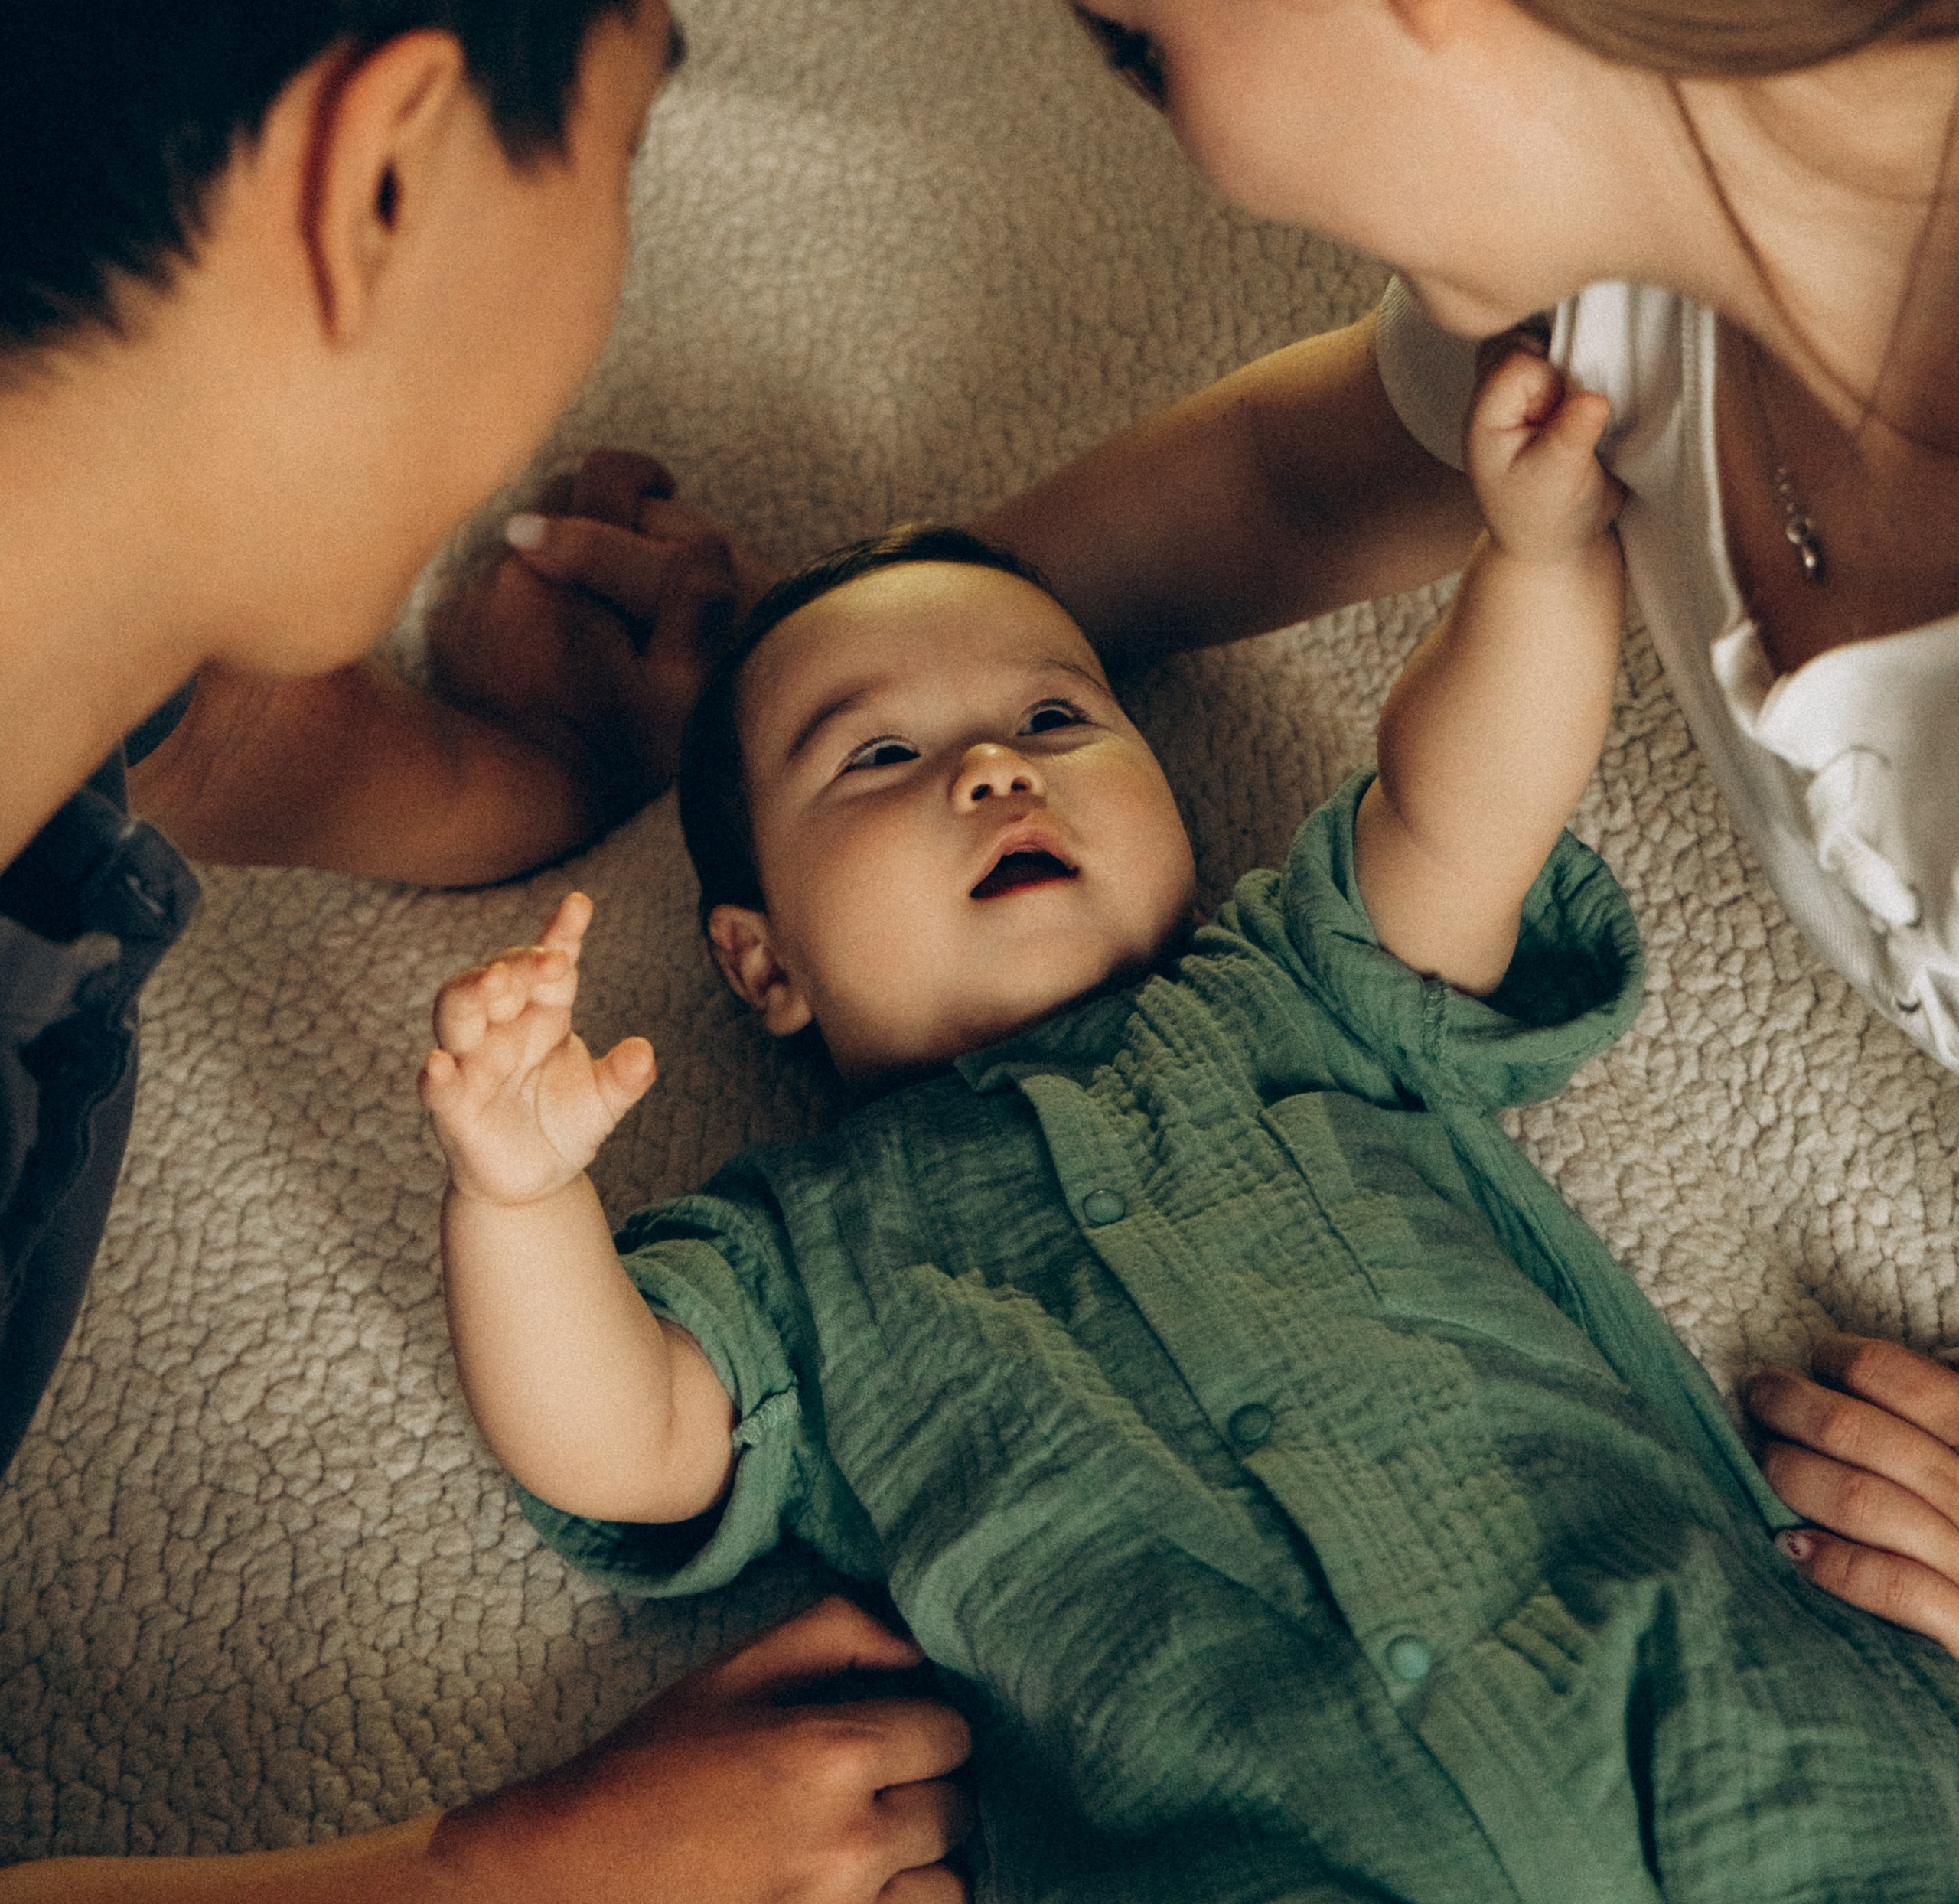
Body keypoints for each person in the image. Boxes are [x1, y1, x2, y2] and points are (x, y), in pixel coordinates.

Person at [0, 0, 970, 1899]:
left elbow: (226, 743)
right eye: (629, 131)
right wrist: (496, 1878)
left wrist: (557, 773)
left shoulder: (85, 633)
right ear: (386, 181)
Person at [906, 0, 1959, 1617]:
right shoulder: (1626, 279)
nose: (1186, 149)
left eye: (1135, 40)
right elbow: (1292, 478)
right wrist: (863, 645)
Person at [419, 354, 1959, 1902]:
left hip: (1725, 1716)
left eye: (1052, 712)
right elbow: (630, 1443)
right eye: (876, 754)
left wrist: (1539, 562)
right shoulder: (796, 1251)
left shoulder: (1290, 988)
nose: (992, 766)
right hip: (1271, 1834)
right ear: (762, 965)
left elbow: (1454, 809)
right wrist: (521, 1199)